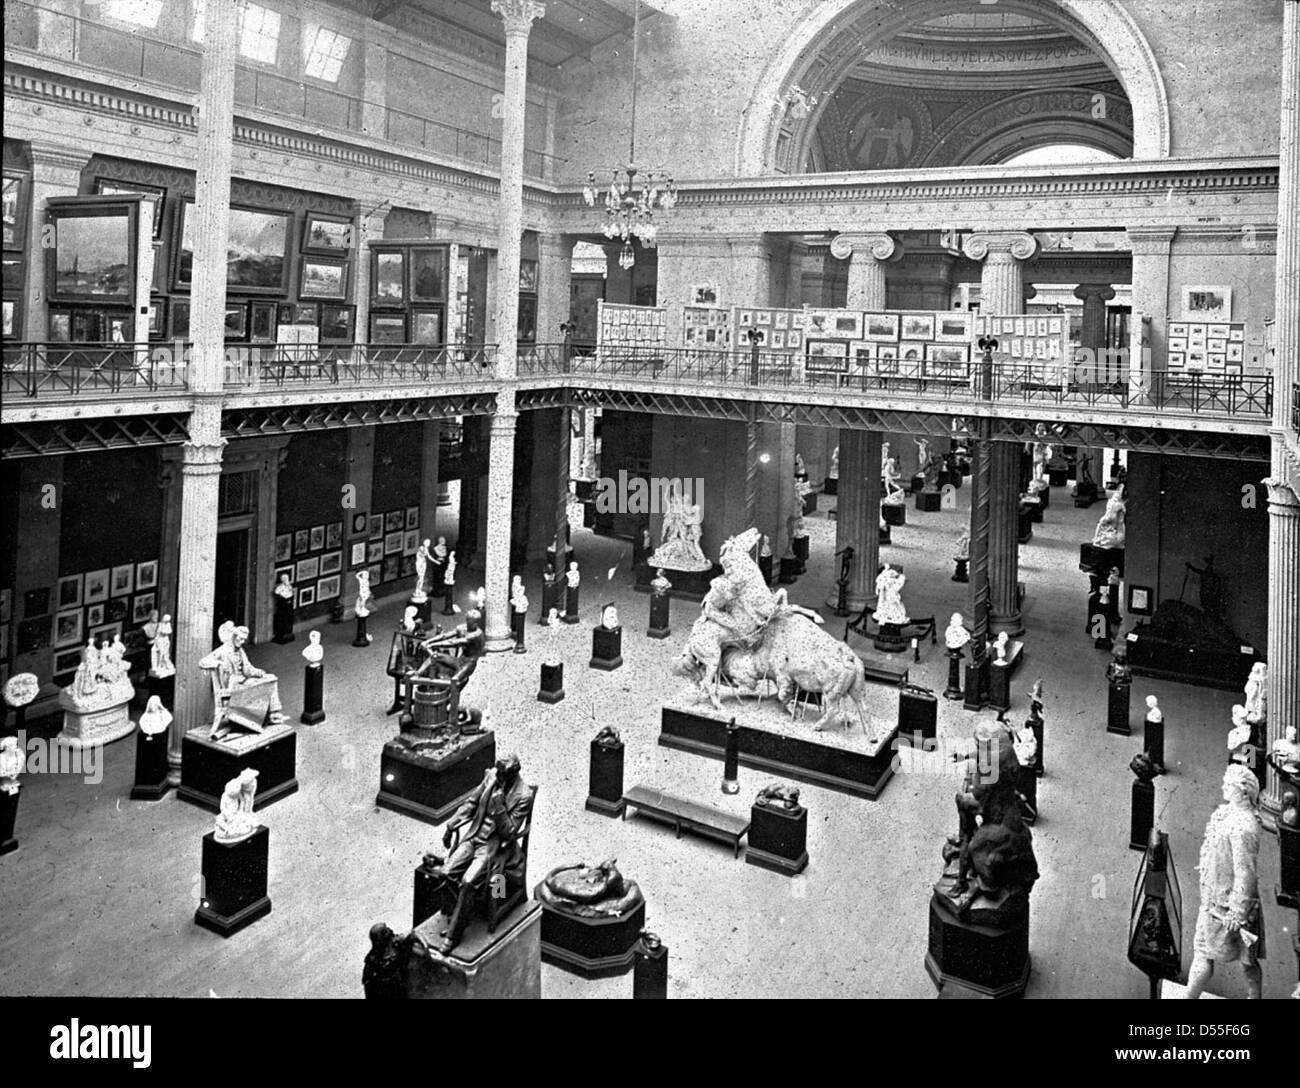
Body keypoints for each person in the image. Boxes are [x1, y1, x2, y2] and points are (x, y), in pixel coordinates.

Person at [423, 755, 532, 952]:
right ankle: (460, 913)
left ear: (512, 775)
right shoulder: (491, 776)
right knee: (446, 873)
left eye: (502, 775)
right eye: (497, 772)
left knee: (468, 881)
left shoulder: (524, 795)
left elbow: (510, 832)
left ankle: (453, 935)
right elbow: (472, 803)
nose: (497, 777)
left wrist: (499, 805)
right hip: (473, 837)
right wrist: (451, 825)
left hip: (495, 847)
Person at [1184, 765, 1265, 999]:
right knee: (1208, 952)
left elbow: (1246, 873)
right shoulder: (1230, 813)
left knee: (1246, 960)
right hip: (1215, 899)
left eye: (1228, 784)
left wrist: (1237, 913)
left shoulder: (1244, 827)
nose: (1222, 787)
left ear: (1242, 792)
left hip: (1229, 905)